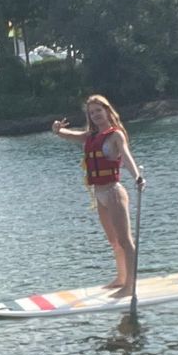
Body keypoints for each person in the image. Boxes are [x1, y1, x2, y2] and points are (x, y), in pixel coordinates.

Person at [50, 95, 145, 294]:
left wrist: (137, 177)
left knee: (125, 240)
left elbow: (127, 157)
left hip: (113, 193)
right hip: (99, 195)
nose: (95, 115)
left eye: (98, 111)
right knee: (114, 241)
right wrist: (57, 129)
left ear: (107, 111)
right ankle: (121, 278)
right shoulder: (90, 136)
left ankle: (130, 285)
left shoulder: (116, 135)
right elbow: (67, 135)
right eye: (92, 113)